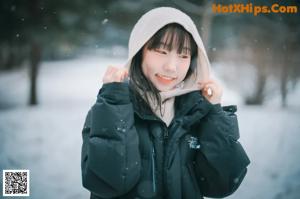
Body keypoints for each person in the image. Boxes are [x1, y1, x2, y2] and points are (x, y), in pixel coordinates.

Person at [81, 7, 250, 199]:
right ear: (139, 51)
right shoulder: (112, 108)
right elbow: (108, 183)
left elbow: (222, 184)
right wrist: (114, 104)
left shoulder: (197, 112)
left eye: (183, 55)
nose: (171, 66)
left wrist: (214, 113)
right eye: (161, 51)